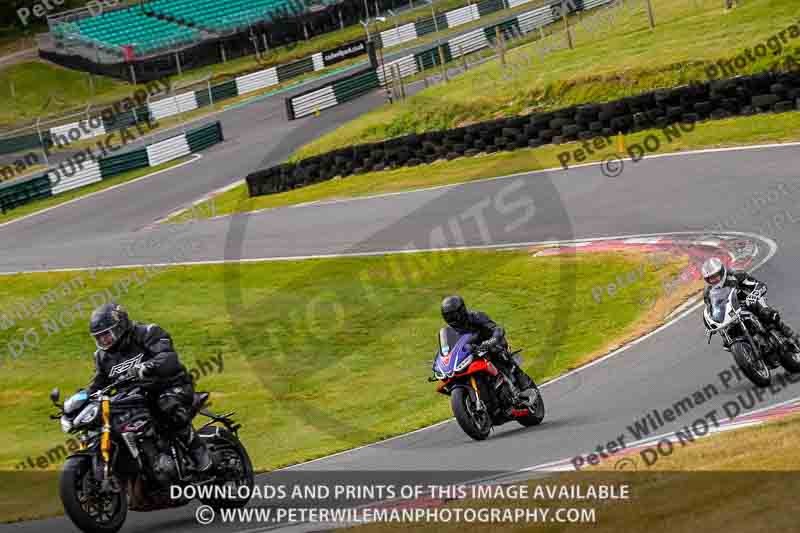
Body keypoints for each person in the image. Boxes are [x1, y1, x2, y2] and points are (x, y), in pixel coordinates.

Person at [87, 302, 212, 475]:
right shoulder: (102, 356)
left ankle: (197, 449)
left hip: (171, 385)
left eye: (106, 334)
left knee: (166, 404)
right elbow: (98, 383)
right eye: (99, 337)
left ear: (120, 326)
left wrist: (147, 367)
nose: (103, 340)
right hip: (136, 397)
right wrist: (83, 398)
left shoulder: (147, 333)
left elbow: (168, 358)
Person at [439, 295, 538, 404]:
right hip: (471, 354)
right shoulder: (448, 332)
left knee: (499, 354)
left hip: (490, 344)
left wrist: (492, 340)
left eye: (454, 315)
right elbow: (447, 349)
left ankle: (525, 386)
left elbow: (496, 328)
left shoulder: (476, 317)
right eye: (449, 316)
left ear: (461, 311)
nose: (452, 319)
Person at [701, 257, 799, 346]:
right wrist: (711, 325)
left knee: (768, 314)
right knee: (726, 340)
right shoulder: (708, 293)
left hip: (748, 302)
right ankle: (746, 357)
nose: (714, 280)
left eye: (715, 276)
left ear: (722, 272)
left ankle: (788, 333)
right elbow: (711, 310)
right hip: (730, 313)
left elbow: (760, 285)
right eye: (710, 278)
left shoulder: (736, 275)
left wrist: (752, 297)